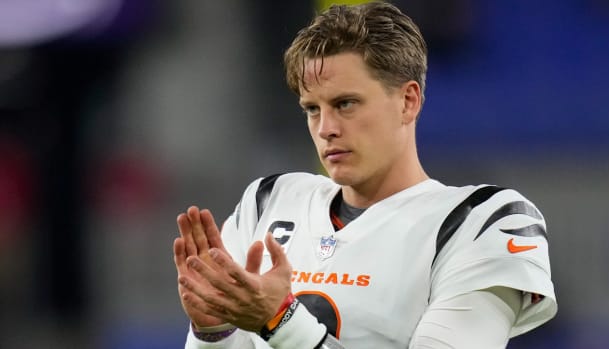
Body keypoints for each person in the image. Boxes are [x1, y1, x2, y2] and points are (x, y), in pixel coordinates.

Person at [173, 2, 557, 348]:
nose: (326, 128)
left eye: (345, 104)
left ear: (408, 101)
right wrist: (212, 331)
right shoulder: (269, 201)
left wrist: (281, 321)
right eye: (312, 108)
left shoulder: (477, 222)